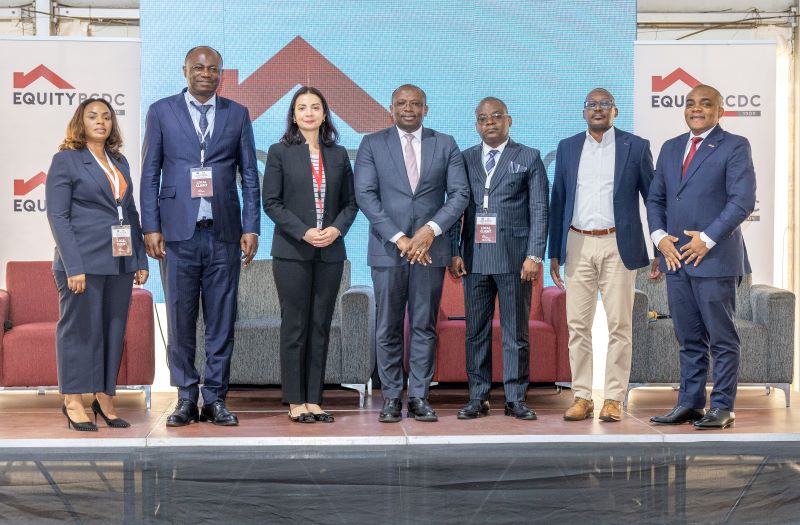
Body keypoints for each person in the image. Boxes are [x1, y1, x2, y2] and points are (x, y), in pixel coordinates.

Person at [140, 46, 260, 427]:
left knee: (222, 319)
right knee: (180, 318)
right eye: (198, 67)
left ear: (221, 75)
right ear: (185, 70)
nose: (206, 73)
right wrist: (151, 226)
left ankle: (216, 398)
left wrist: (251, 225)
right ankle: (185, 398)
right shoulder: (161, 111)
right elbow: (150, 173)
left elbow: (250, 177)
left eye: (213, 69)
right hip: (177, 235)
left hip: (224, 232)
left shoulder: (237, 114)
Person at [354, 84, 469, 423]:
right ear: (391, 109)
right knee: (388, 326)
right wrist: (400, 238)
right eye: (402, 103)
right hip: (389, 251)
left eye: (415, 104)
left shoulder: (445, 143)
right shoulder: (371, 143)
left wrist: (430, 231)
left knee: (423, 325)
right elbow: (365, 195)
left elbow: (459, 194)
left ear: (426, 109)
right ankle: (391, 397)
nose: (409, 109)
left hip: (431, 252)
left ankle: (419, 396)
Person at [648, 84, 756, 430]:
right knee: (689, 338)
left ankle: (723, 407)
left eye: (705, 104)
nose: (697, 109)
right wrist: (659, 237)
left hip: (714, 259)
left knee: (722, 339)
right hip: (676, 259)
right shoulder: (670, 148)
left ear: (719, 111)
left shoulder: (735, 146)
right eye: (691, 103)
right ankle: (691, 404)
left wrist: (706, 239)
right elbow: (656, 200)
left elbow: (741, 202)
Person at [548, 88, 658, 423]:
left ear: (616, 111)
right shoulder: (568, 148)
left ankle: (613, 398)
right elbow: (558, 200)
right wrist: (554, 252)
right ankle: (582, 396)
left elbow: (653, 199)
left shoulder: (635, 147)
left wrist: (659, 247)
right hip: (577, 243)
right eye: (592, 105)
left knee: (619, 325)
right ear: (584, 112)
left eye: (605, 104)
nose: (598, 109)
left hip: (618, 245)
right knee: (577, 325)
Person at [46, 98, 149, 431]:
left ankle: (105, 397)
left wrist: (139, 257)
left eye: (106, 117)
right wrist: (74, 266)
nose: (101, 122)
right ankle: (73, 399)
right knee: (78, 331)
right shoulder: (66, 160)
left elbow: (130, 213)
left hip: (118, 262)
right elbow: (58, 216)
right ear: (81, 122)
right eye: (93, 116)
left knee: (113, 330)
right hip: (81, 263)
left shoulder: (119, 161)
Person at [447, 97, 549, 421]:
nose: (489, 123)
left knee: (515, 332)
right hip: (474, 258)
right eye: (482, 119)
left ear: (509, 120)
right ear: (476, 124)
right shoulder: (464, 159)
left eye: (495, 117)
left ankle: (515, 398)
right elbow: (455, 208)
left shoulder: (529, 157)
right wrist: (453, 250)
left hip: (516, 259)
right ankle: (478, 397)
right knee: (475, 332)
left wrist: (534, 254)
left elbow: (539, 210)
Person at [263, 87, 358, 423]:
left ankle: (314, 399)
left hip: (331, 252)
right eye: (302, 107)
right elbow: (271, 203)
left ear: (324, 114)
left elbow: (351, 202)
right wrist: (303, 231)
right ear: (293, 115)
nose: (308, 113)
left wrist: (336, 229)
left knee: (320, 325)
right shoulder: (279, 152)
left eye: (315, 107)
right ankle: (294, 400)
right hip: (292, 251)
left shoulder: (338, 153)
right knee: (295, 325)